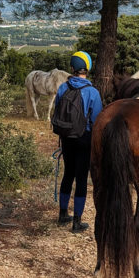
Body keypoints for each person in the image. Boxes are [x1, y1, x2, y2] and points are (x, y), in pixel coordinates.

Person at [54, 51, 103, 233]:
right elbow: (97, 119)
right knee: (81, 178)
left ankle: (62, 214)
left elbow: (57, 109)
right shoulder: (92, 92)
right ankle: (77, 221)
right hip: (84, 138)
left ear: (72, 68)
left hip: (66, 137)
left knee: (68, 174)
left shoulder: (62, 88)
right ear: (87, 69)